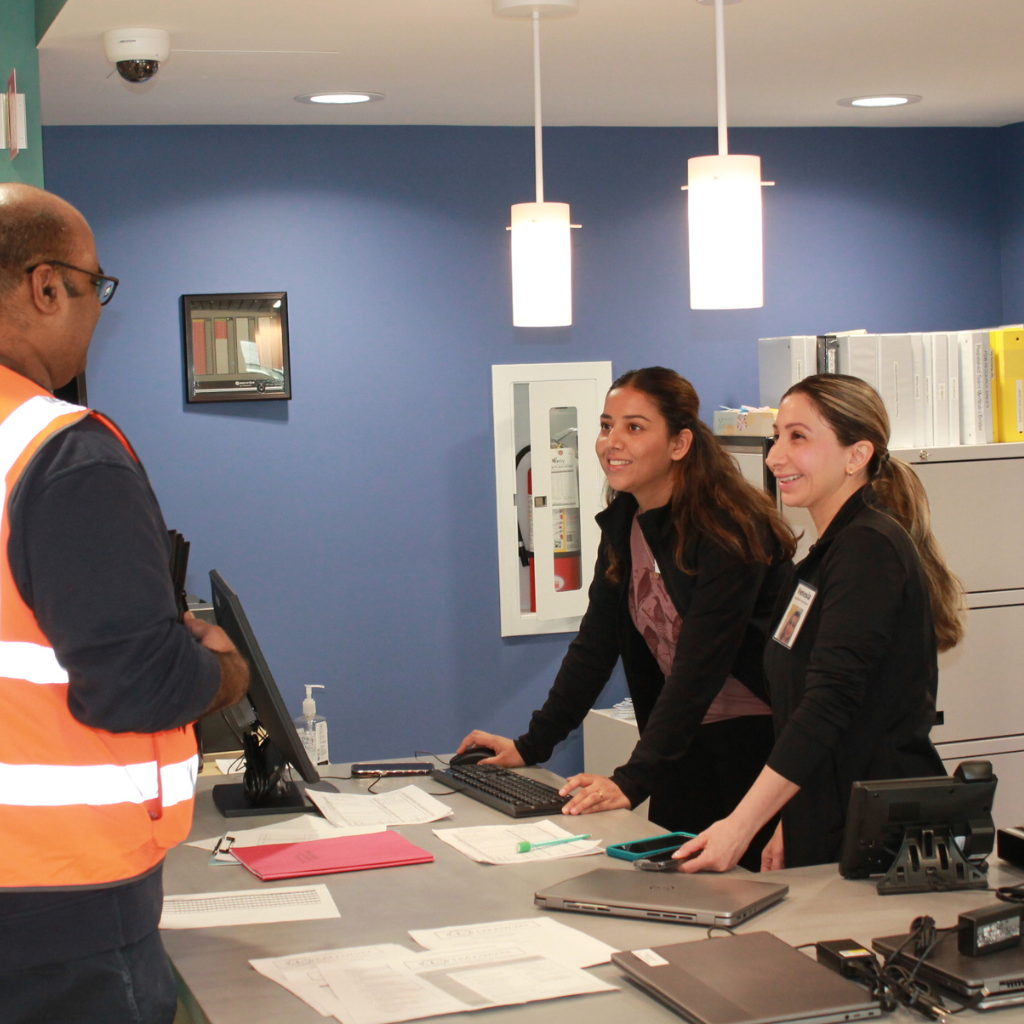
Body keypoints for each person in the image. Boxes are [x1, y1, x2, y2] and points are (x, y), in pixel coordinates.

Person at [0, 184, 250, 1024]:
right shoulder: (60, 451)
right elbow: (136, 682)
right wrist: (221, 670)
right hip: (57, 908)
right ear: (46, 286)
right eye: (94, 287)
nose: (96, 312)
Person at [460, 367, 796, 869]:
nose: (611, 442)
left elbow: (698, 670)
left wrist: (632, 780)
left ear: (680, 444)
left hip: (755, 748)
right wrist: (531, 746)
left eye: (634, 427)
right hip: (683, 745)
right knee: (672, 891)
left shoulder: (727, 531)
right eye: (605, 425)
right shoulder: (627, 522)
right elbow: (594, 648)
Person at [675, 373, 963, 873]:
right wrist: (789, 817)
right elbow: (805, 709)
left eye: (798, 437)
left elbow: (829, 704)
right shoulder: (826, 556)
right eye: (777, 436)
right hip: (830, 817)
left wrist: (742, 825)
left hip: (881, 833)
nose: (775, 457)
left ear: (857, 455)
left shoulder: (869, 549)